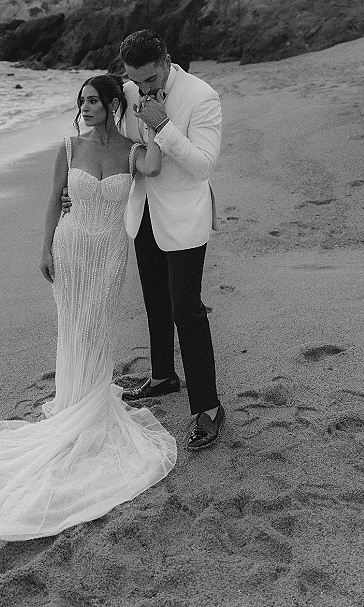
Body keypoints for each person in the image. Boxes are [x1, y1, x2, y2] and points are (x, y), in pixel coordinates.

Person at [0, 74, 176, 547]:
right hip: (70, 250)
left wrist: (155, 123)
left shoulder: (131, 149)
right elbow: (52, 203)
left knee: (97, 329)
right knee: (73, 331)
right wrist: (44, 248)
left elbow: (156, 166)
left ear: (112, 104)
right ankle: (73, 405)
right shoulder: (67, 148)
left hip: (109, 252)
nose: (85, 108)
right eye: (81, 101)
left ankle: (89, 403)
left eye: (93, 101)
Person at [117, 30, 223, 451]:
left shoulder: (202, 97)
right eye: (134, 80)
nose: (142, 88)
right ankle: (162, 375)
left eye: (148, 79)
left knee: (187, 309)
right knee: (155, 299)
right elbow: (126, 138)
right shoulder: (128, 89)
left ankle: (209, 408)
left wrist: (162, 125)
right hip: (143, 211)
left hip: (183, 217)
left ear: (166, 61)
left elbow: (203, 166)